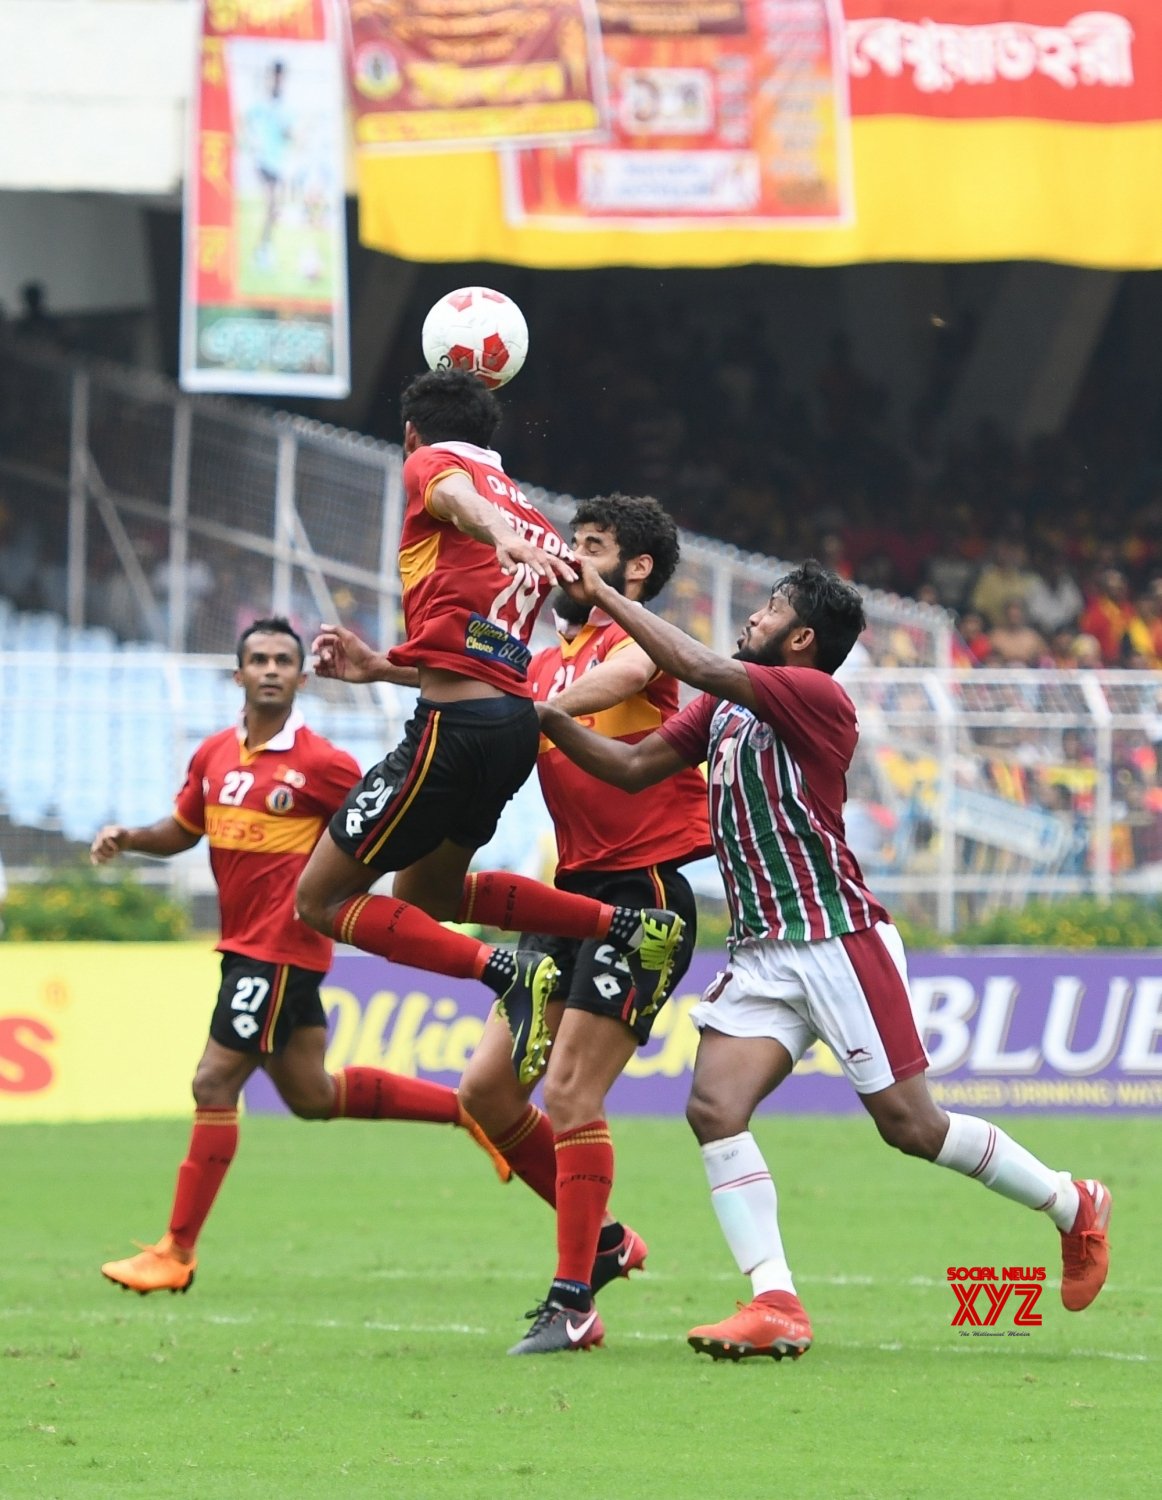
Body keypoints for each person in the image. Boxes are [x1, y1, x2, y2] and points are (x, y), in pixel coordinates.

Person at [538, 558, 1113, 1362]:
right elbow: (633, 769)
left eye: (771, 607)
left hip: (838, 941)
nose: (754, 616)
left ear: (801, 637)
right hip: (764, 952)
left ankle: (1072, 1201)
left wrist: (601, 596)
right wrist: (544, 717)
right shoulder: (724, 711)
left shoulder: (814, 696)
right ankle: (775, 1300)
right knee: (712, 1108)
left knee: (912, 1128)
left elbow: (695, 662)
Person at [94, 617, 510, 1297]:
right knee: (312, 1095)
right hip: (245, 949)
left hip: (282, 948)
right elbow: (185, 828)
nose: (269, 669)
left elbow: (380, 826)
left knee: (212, 1084)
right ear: (237, 675)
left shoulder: (322, 764)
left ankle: (176, 1250)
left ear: (300, 676)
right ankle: (464, 1110)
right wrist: (130, 836)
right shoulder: (212, 757)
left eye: (282, 660)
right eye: (256, 658)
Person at [297, 371, 686, 1092]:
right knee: (434, 893)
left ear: (414, 435)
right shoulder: (535, 517)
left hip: (450, 729)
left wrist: (497, 533)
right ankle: (625, 928)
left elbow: (455, 497)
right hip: (505, 722)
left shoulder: (436, 471)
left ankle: (502, 969)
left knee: (317, 902)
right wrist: (384, 666)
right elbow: (487, 646)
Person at [451, 494, 713, 1355]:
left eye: (592, 547)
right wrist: (379, 668)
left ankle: (573, 1303)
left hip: (643, 898)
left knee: (569, 1093)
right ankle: (602, 1239)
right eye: (571, 543)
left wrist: (536, 710)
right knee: (487, 1093)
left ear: (634, 570)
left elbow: (629, 678)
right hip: (568, 897)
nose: (571, 558)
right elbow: (481, 696)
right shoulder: (546, 658)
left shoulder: (640, 638)